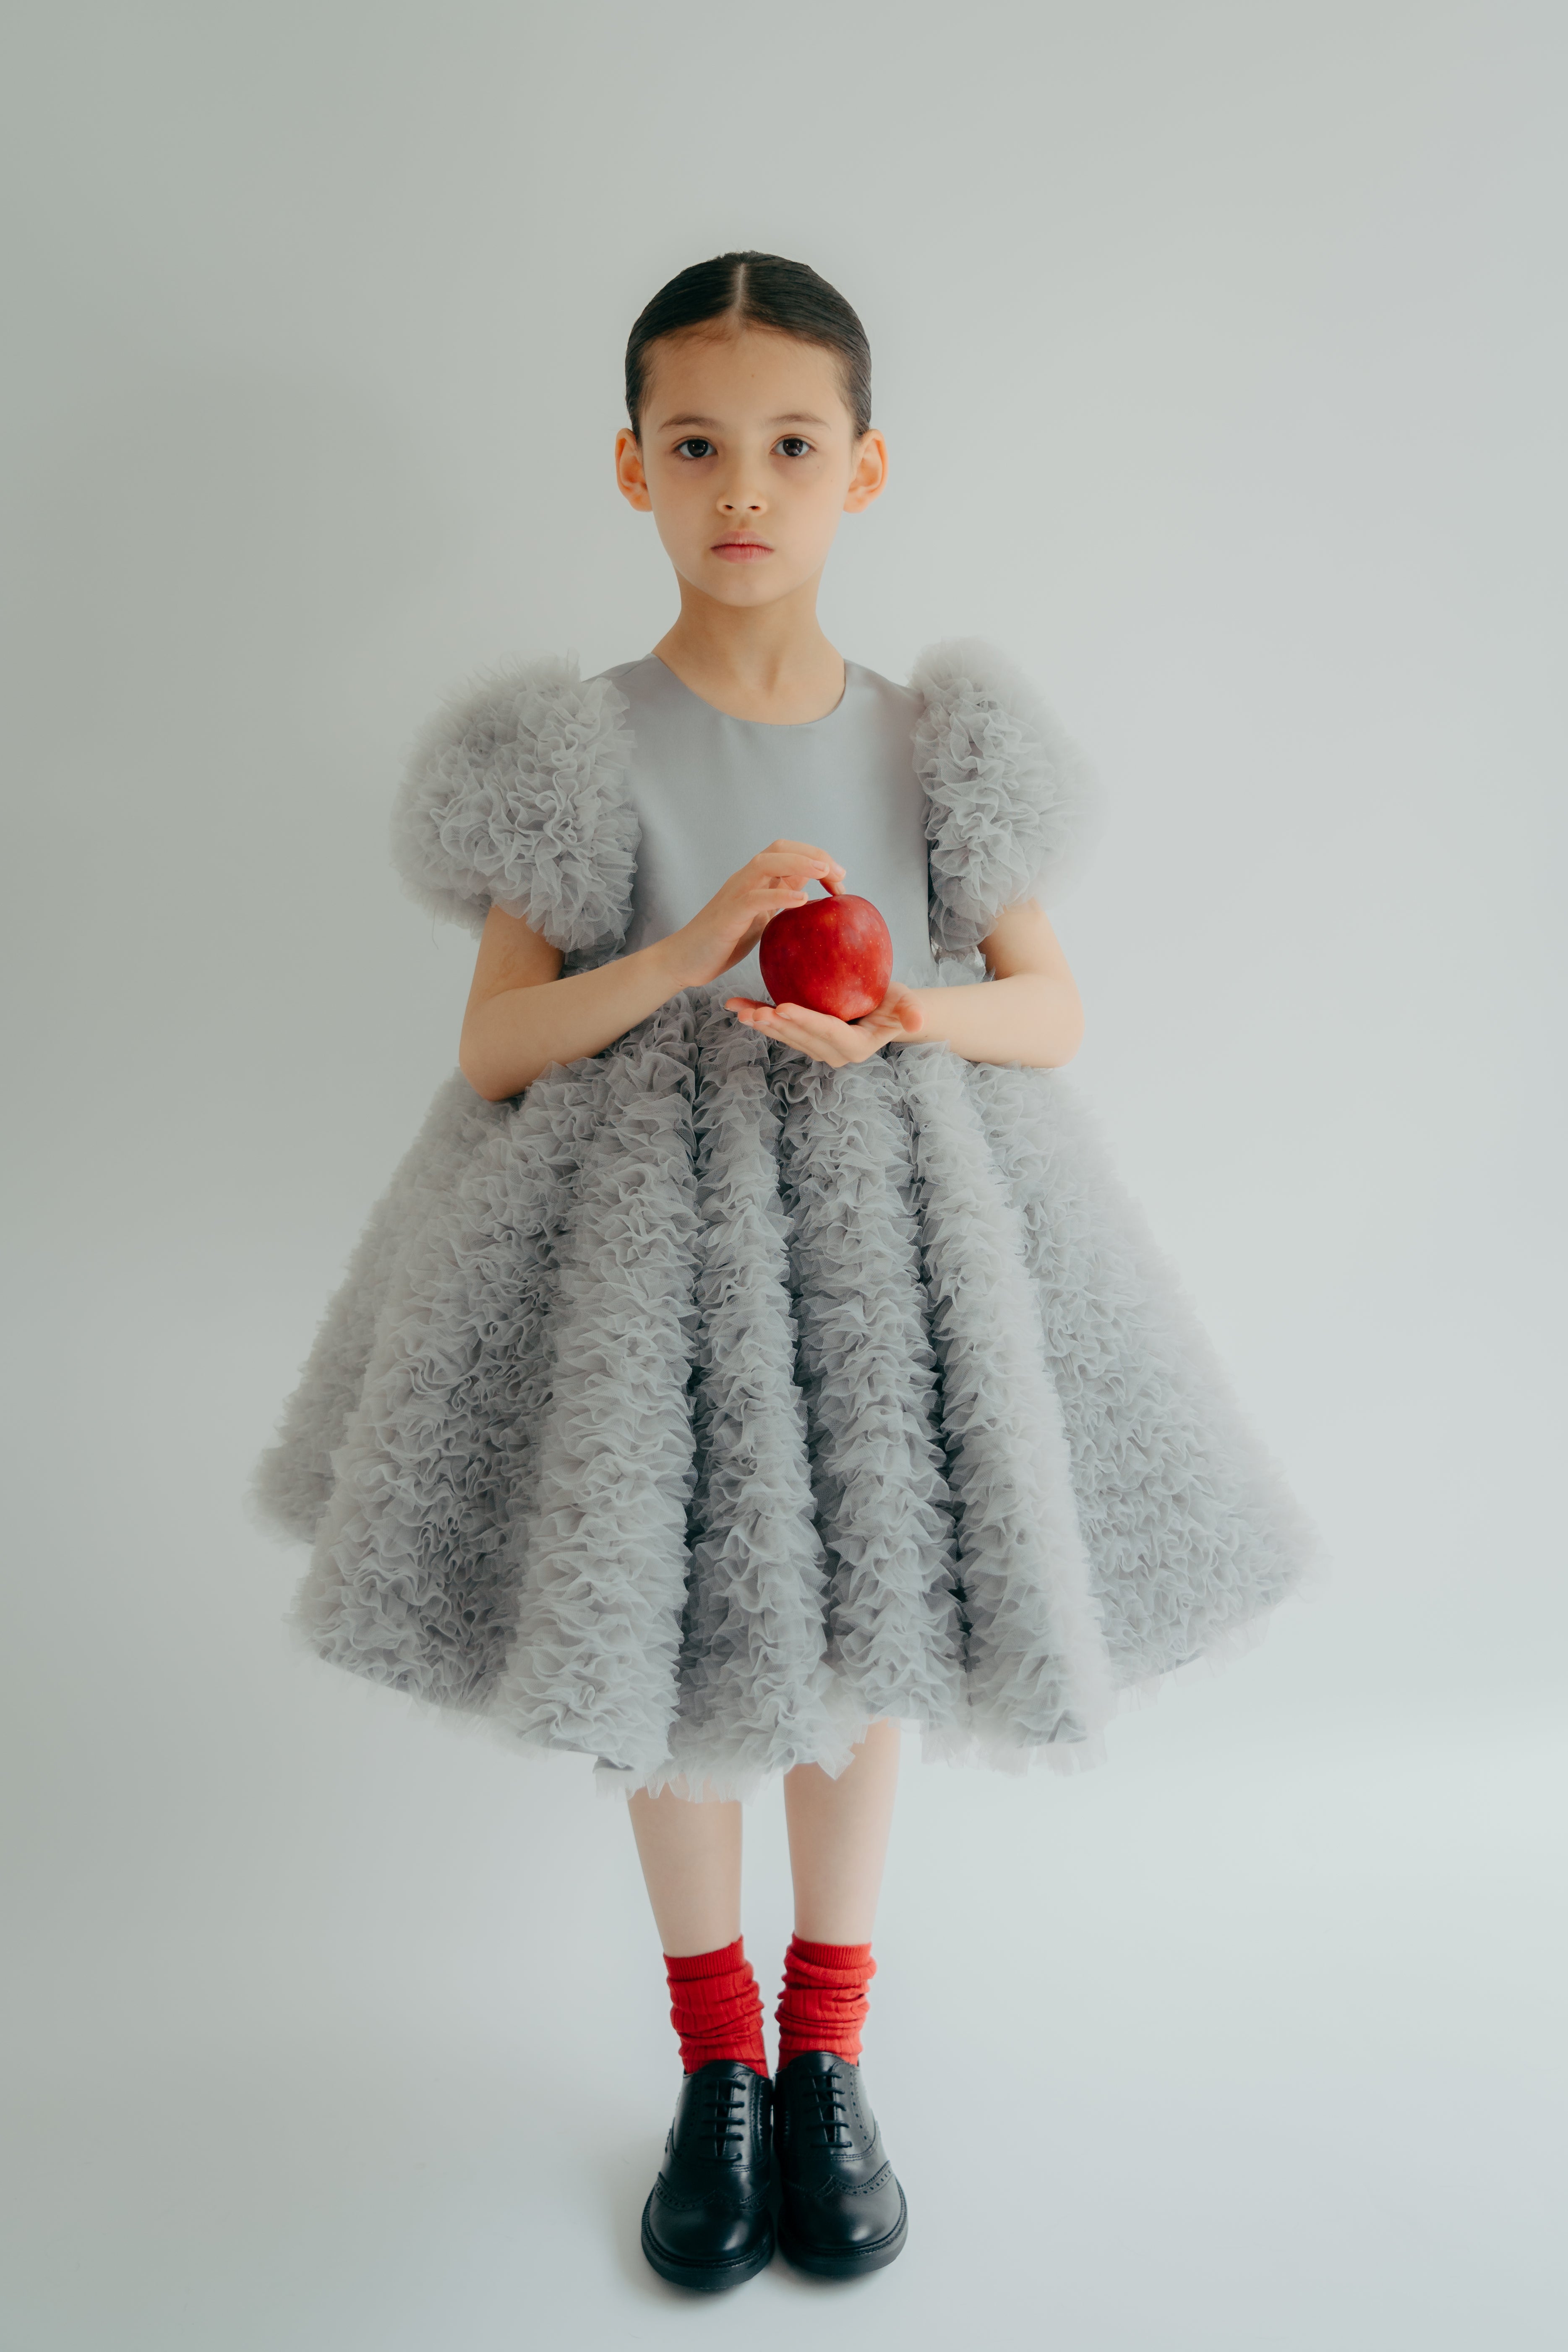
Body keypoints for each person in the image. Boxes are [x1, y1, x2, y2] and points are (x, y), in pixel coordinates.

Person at [252, 250, 1320, 2292]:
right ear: (633, 470)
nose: (744, 483)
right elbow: (494, 1043)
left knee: (868, 1633)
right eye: (697, 444)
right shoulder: (574, 746)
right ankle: (712, 2061)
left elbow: (1051, 1009)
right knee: (658, 1652)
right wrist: (678, 950)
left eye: (790, 445)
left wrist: (904, 1015)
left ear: (864, 469)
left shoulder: (936, 743)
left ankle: (825, 2050)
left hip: (884, 1251)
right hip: (642, 1272)